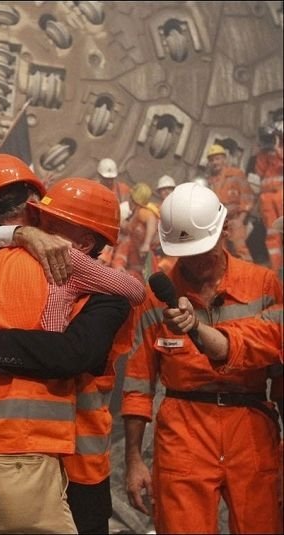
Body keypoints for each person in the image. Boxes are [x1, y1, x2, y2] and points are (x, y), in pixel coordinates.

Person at [0, 156, 142, 533]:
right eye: (38, 219)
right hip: (29, 457)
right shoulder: (41, 268)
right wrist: (21, 236)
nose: (42, 229)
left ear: (84, 239)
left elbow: (73, 352)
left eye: (51, 223)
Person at [121, 182, 282, 533]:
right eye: (186, 252)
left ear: (225, 230)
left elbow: (280, 373)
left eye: (203, 250)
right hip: (184, 430)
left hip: (252, 427)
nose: (196, 262)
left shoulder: (263, 285)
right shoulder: (156, 295)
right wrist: (133, 459)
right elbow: (137, 383)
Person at [205, 143, 254, 261]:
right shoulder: (210, 181)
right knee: (222, 255)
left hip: (235, 219)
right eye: (212, 160)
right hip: (219, 224)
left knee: (240, 250)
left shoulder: (236, 174)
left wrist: (240, 220)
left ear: (224, 159)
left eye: (217, 158)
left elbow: (247, 196)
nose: (215, 162)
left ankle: (252, 276)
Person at [111, 182, 160, 282]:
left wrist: (146, 244)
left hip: (144, 260)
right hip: (135, 260)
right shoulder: (135, 214)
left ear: (132, 198)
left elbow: (151, 220)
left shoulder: (142, 211)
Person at [253, 124, 283, 276]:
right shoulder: (262, 154)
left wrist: (277, 148)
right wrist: (261, 150)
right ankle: (277, 270)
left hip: (281, 194)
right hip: (266, 198)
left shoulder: (280, 151)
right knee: (272, 234)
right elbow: (259, 171)